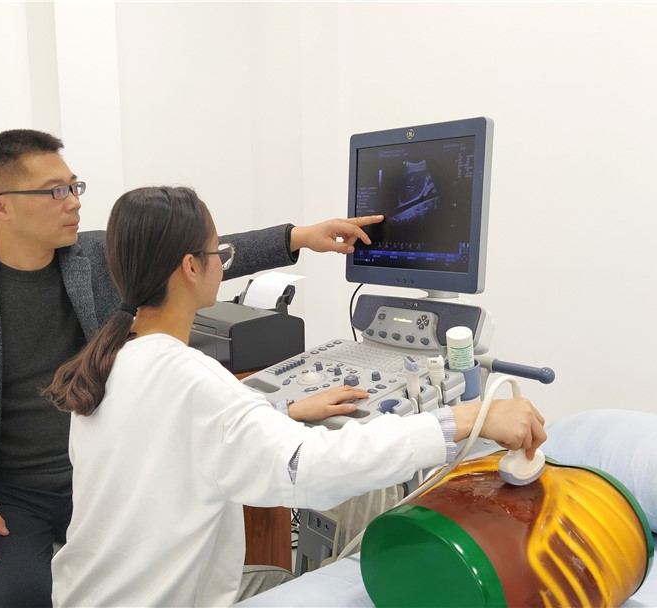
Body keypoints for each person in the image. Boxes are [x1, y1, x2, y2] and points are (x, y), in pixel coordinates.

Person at [0, 129, 384, 607]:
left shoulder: (94, 257)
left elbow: (194, 254)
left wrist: (298, 237)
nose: (73, 201)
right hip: (4, 491)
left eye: (74, 186)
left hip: (108, 470)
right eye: (55, 191)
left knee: (162, 569)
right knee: (23, 593)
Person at [44, 186, 547, 607]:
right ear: (191, 268)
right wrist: (464, 419)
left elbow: (180, 437)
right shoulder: (193, 381)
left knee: (279, 572)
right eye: (220, 254)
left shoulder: (106, 364)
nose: (224, 264)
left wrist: (280, 410)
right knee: (351, 581)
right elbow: (310, 471)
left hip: (88, 595)